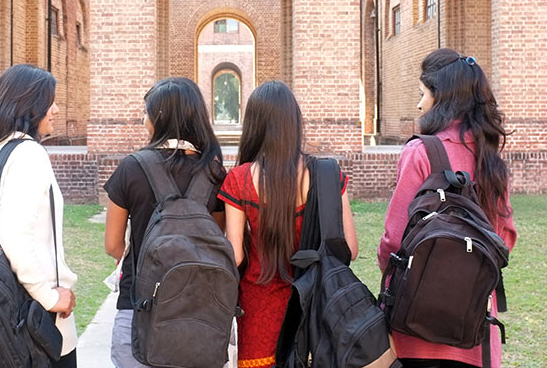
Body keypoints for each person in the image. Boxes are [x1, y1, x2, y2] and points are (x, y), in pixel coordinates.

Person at [377, 48, 518, 368]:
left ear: (441, 98)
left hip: (414, 326)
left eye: (422, 94)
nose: (419, 104)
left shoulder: (420, 152)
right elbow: (504, 238)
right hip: (474, 326)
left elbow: (395, 239)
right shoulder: (491, 160)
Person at [218, 81, 359, 368]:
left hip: (259, 312)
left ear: (254, 124)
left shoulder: (241, 179)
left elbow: (235, 256)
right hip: (315, 312)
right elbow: (350, 250)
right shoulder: (327, 175)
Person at [104, 77, 227, 368]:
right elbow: (215, 238)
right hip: (200, 316)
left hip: (138, 310)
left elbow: (112, 245)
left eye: (146, 113)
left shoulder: (131, 167)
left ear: (158, 118)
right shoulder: (214, 172)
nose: (144, 119)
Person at [0, 64, 78, 367]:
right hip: (37, 322)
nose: (55, 109)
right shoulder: (29, 154)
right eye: (48, 101)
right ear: (29, 105)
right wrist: (51, 298)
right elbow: (14, 238)